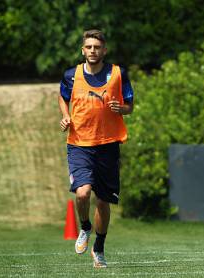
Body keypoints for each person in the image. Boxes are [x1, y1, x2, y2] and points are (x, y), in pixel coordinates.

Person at [58, 29, 134, 268]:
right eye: (89, 47)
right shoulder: (71, 75)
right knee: (82, 192)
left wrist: (121, 109)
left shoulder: (118, 74)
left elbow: (130, 105)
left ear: (105, 50)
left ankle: (99, 248)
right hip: (79, 143)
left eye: (97, 47)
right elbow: (63, 97)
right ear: (83, 50)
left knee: (103, 201)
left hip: (108, 144)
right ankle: (85, 227)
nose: (93, 51)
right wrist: (65, 116)